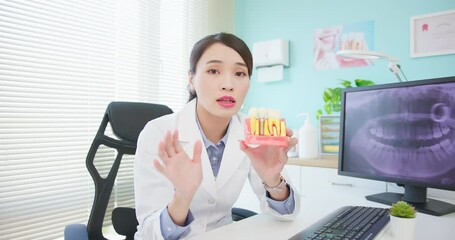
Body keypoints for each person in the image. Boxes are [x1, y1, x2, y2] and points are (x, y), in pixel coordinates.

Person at [134, 32, 300, 240]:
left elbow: (286, 216)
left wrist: (273, 180)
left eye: (239, 74)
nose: (228, 84)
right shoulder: (158, 133)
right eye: (214, 71)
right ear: (192, 79)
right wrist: (182, 197)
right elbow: (151, 233)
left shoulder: (253, 130)